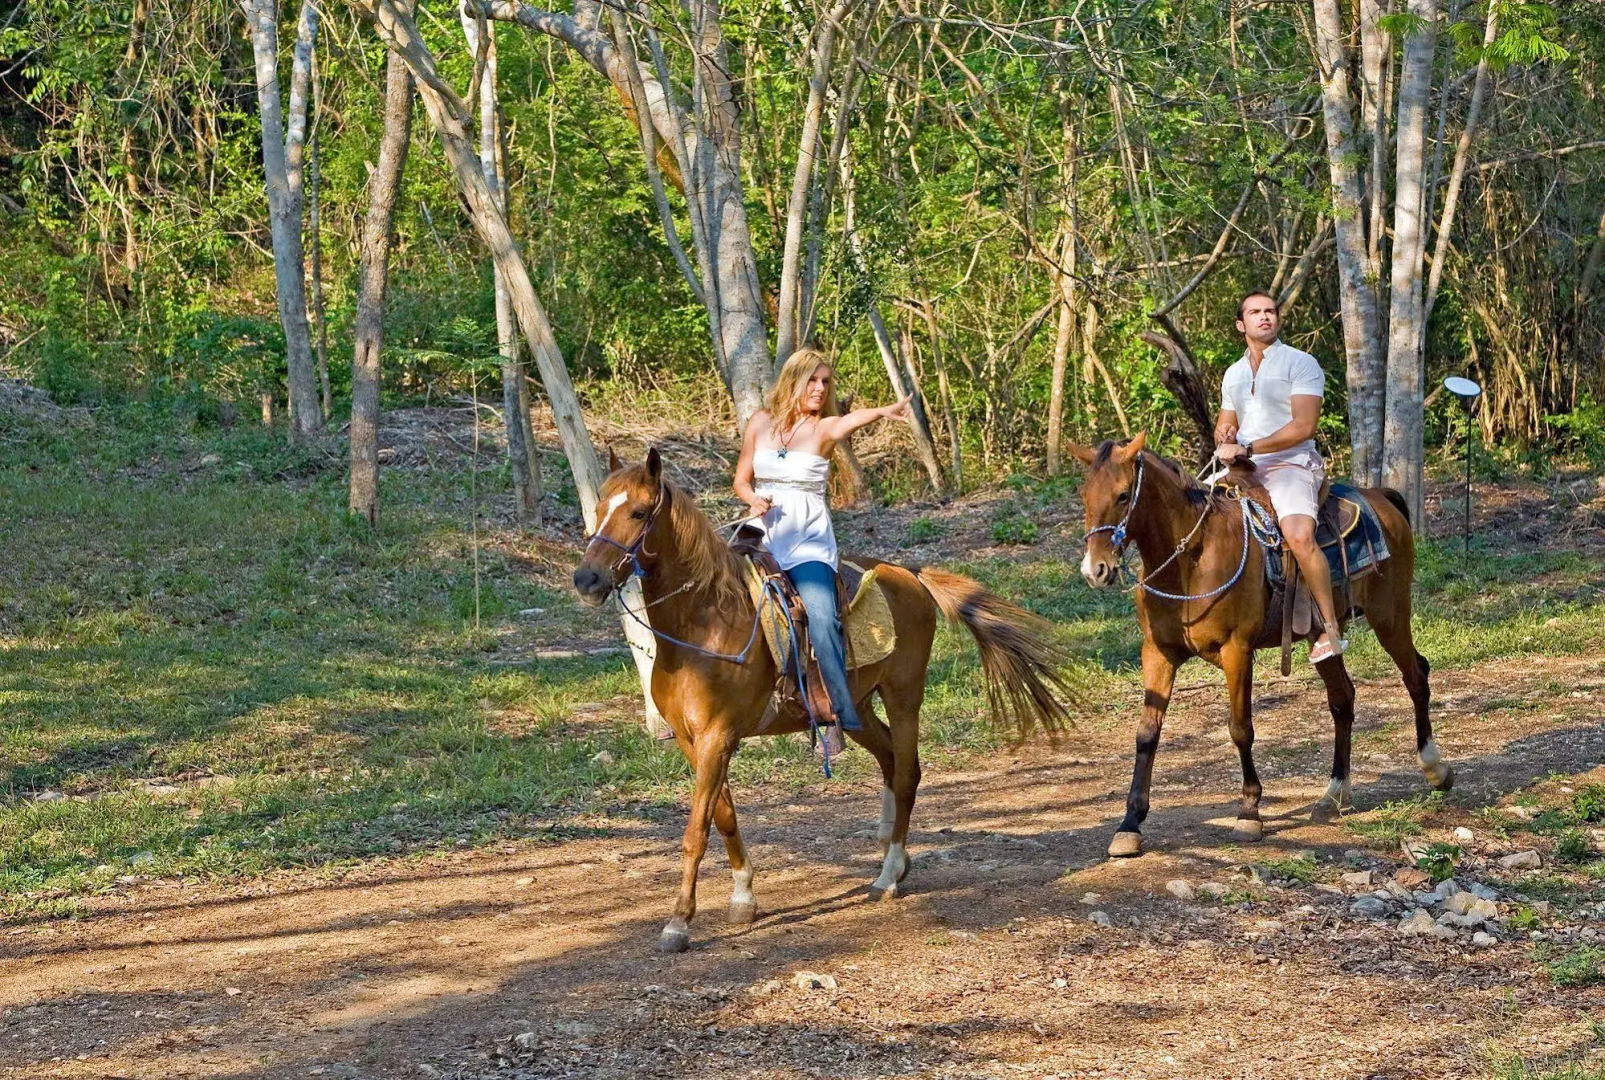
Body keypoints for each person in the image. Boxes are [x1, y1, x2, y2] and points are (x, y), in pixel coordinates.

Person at [734, 346, 911, 754]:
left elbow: (851, 419)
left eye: (825, 382)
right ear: (792, 381)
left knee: (820, 614)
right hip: (759, 533)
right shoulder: (760, 423)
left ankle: (836, 711)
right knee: (710, 589)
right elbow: (742, 478)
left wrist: (883, 411)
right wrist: (752, 498)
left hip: (807, 542)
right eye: (812, 380)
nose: (819, 388)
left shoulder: (824, 428)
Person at [1215, 291, 1345, 663]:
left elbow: (1304, 426)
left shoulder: (1301, 363)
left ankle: (1330, 630)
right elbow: (1227, 422)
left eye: (1270, 311)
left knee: (1299, 536)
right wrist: (1224, 437)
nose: (1265, 317)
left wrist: (1250, 447)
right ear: (1242, 325)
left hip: (1291, 465)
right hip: (1243, 469)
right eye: (1255, 312)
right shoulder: (1234, 373)